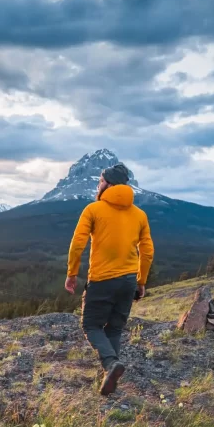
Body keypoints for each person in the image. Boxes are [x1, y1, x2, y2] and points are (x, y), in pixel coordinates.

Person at [65, 163, 154, 396]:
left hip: (102, 280)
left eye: (100, 181)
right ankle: (110, 375)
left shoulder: (94, 209)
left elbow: (77, 244)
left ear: (109, 184)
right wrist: (141, 281)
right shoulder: (140, 214)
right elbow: (147, 251)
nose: (98, 184)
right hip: (128, 282)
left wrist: (72, 274)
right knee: (114, 329)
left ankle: (110, 365)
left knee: (91, 325)